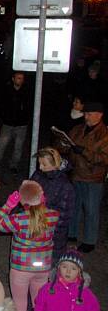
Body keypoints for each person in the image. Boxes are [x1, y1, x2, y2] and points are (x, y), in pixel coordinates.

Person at [0, 180, 59, 311]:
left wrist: (8, 205)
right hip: (42, 268)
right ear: (42, 197)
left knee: (20, 307)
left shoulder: (18, 219)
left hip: (21, 269)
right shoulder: (53, 216)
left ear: (22, 201)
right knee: (40, 304)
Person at [61, 101, 108, 253]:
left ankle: (89, 240)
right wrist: (63, 143)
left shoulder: (105, 134)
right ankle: (72, 234)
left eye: (89, 114)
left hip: (93, 176)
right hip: (76, 174)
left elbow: (104, 158)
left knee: (91, 209)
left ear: (99, 115)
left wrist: (84, 152)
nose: (86, 117)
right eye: (85, 114)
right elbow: (66, 144)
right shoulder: (79, 129)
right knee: (74, 206)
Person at [31, 147, 75, 260]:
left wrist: (50, 231)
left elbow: (65, 215)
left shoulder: (65, 185)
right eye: (39, 163)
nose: (40, 167)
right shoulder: (38, 175)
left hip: (54, 234)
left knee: (51, 261)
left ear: (55, 164)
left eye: (44, 164)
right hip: (35, 226)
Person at [0, 71, 32, 175]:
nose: (20, 80)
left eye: (22, 78)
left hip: (21, 125)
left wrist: (26, 118)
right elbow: (0, 104)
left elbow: (30, 106)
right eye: (18, 78)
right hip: (8, 124)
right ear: (13, 79)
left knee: (18, 147)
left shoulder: (26, 91)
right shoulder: (6, 90)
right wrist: (4, 117)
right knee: (1, 146)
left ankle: (13, 165)